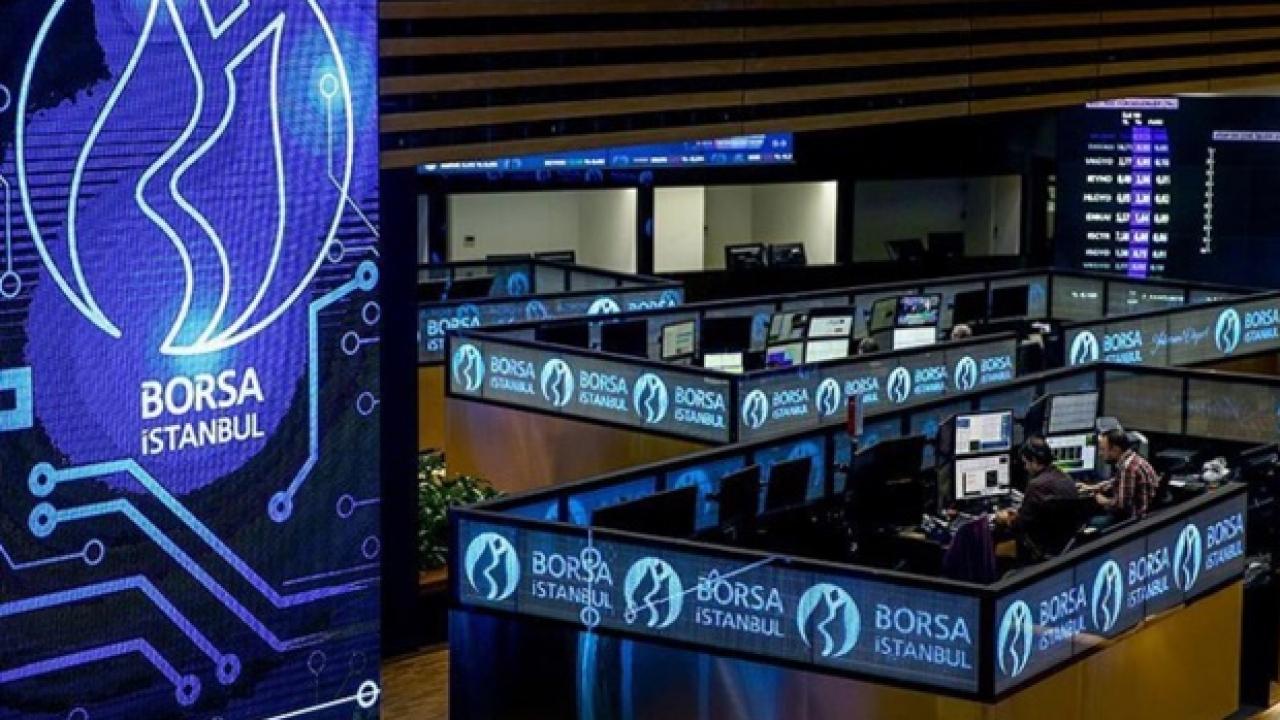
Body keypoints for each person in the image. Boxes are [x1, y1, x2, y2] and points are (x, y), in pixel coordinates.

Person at [996, 437, 1080, 558]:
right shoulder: (1066, 478)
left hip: (1039, 550)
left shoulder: (1036, 485)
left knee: (996, 549)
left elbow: (1020, 526)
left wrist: (1006, 518)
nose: (1025, 467)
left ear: (1034, 460)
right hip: (1063, 549)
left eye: (1026, 463)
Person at [1083, 428, 1158, 520]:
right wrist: (1095, 487)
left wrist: (1100, 498)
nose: (1100, 454)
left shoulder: (1129, 468)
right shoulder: (1134, 459)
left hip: (1134, 520)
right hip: (1145, 514)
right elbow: (1118, 480)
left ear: (1115, 449)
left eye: (1103, 449)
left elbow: (1121, 506)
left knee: (1091, 521)